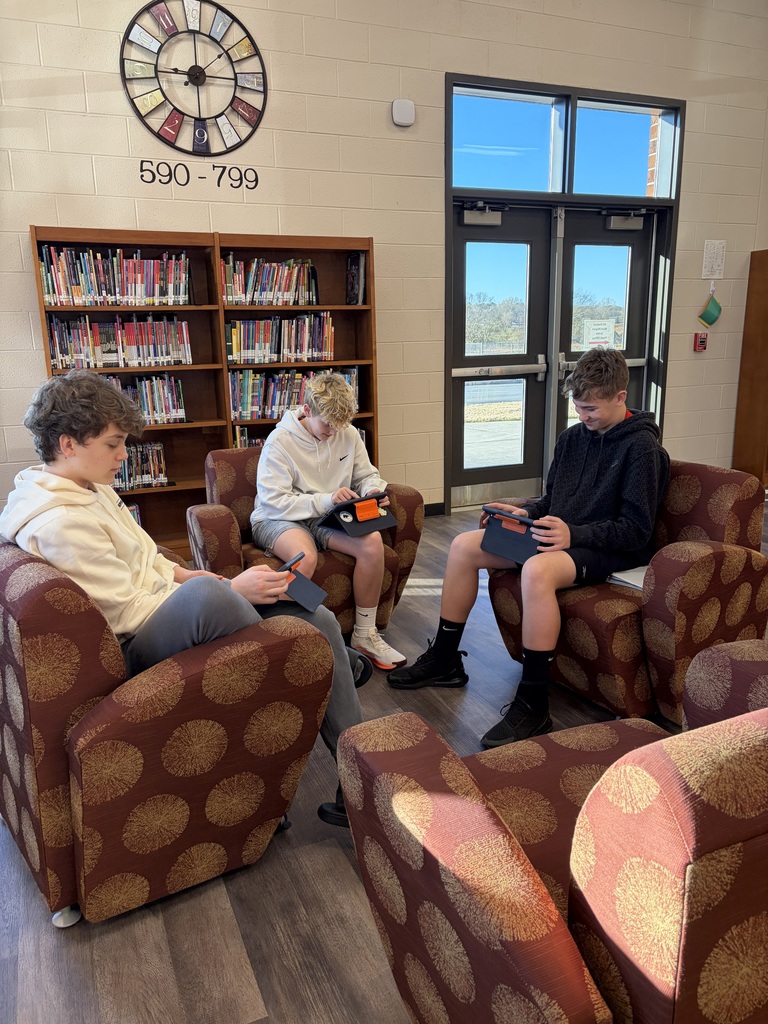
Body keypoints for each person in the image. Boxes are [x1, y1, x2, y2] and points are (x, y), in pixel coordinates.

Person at [0, 370, 369, 828]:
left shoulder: (90, 488)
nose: (123, 455)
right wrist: (226, 590)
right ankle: (335, 660)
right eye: (113, 444)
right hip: (134, 643)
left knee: (315, 613)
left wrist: (182, 573)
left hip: (158, 608)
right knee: (215, 594)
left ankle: (357, 779)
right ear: (68, 444)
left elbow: (144, 555)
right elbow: (125, 615)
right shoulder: (60, 523)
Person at [388, 348, 670, 749]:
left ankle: (534, 703)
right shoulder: (572, 438)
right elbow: (552, 501)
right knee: (465, 545)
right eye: (577, 407)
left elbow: (636, 531)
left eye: (591, 408)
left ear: (620, 397)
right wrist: (523, 513)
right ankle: (446, 659)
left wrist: (574, 534)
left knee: (538, 571)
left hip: (610, 549)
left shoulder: (642, 448)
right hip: (563, 536)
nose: (582, 416)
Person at [250, 372, 406, 671]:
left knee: (372, 544)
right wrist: (327, 498)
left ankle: (364, 635)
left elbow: (366, 474)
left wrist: (372, 490)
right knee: (304, 557)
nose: (333, 433)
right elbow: (273, 501)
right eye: (327, 425)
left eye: (340, 426)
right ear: (308, 410)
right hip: (278, 516)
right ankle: (275, 636)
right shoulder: (279, 442)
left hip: (327, 514)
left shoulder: (347, 432)